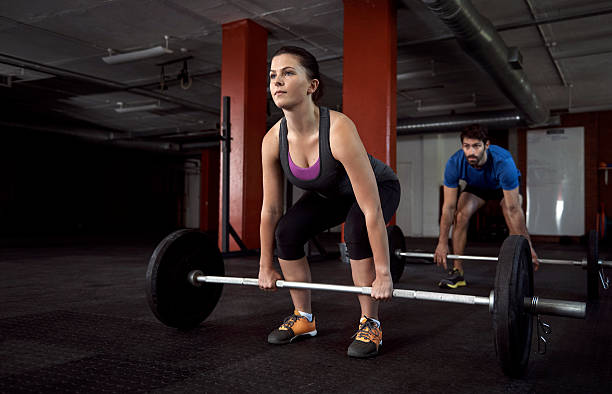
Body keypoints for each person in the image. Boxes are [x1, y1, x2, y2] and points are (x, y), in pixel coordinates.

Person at [258, 46, 401, 358]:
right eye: (273, 76)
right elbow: (271, 209)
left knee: (356, 229)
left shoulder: (338, 129)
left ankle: (370, 322)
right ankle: (304, 318)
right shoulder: (272, 140)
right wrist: (265, 265)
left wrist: (384, 272)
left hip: (379, 188)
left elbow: (370, 208)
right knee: (287, 233)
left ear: (312, 86)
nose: (277, 81)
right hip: (330, 193)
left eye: (288, 73)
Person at [434, 125, 539, 288]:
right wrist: (442, 242)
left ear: (486, 145)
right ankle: (457, 271)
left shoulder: (503, 162)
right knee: (460, 215)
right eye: (467, 146)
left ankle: (516, 268)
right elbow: (448, 207)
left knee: (509, 211)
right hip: (477, 188)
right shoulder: (455, 163)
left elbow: (513, 209)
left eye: (476, 146)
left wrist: (528, 245)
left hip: (501, 187)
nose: (471, 152)